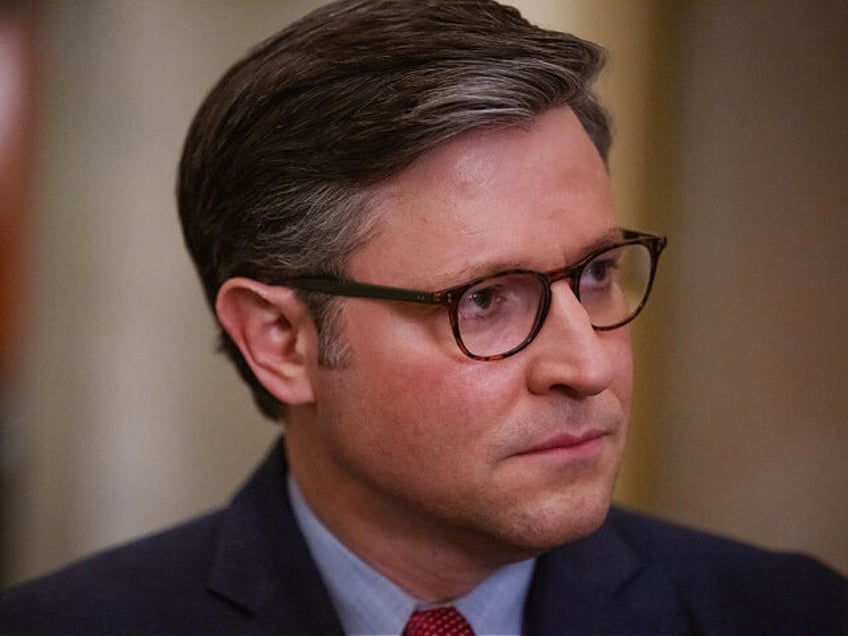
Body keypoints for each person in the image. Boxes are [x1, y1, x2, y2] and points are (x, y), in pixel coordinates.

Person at [1, 0, 845, 633]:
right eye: (483, 300)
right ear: (282, 340)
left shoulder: (790, 614)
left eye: (594, 275)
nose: (587, 366)